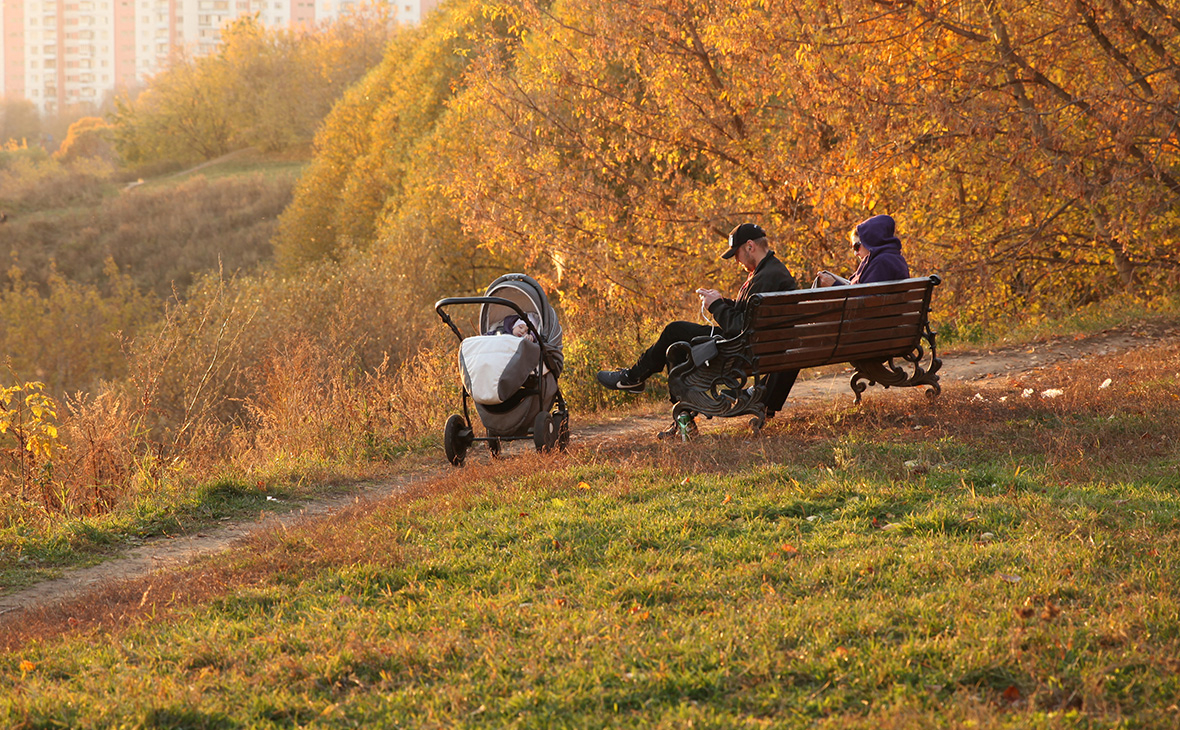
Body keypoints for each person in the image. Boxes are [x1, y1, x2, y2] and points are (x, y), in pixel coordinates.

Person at [596, 222, 799, 417]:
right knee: (676, 339)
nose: (737, 262)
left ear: (750, 246)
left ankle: (636, 379)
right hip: (756, 346)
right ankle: (666, 402)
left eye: (736, 255)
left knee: (675, 334)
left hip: (742, 351)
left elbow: (740, 327)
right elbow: (748, 315)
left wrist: (716, 307)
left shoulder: (766, 277)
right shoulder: (771, 271)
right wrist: (720, 301)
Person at [815, 214, 909, 287]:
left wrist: (834, 285)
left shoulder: (881, 263)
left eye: (857, 246)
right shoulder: (894, 259)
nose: (855, 253)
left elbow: (862, 303)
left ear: (870, 241)